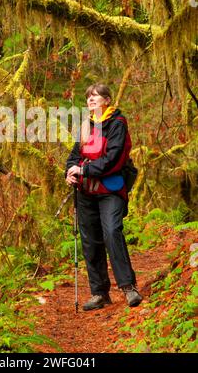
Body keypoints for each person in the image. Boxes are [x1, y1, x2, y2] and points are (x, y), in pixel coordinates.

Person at [65, 83, 143, 311]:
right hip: (86, 192)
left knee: (111, 231)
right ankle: (99, 293)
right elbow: (74, 156)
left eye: (95, 96)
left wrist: (85, 170)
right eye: (88, 96)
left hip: (111, 189)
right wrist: (69, 172)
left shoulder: (117, 124)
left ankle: (129, 288)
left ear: (107, 100)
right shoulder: (85, 125)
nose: (90, 99)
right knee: (90, 240)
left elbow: (114, 158)